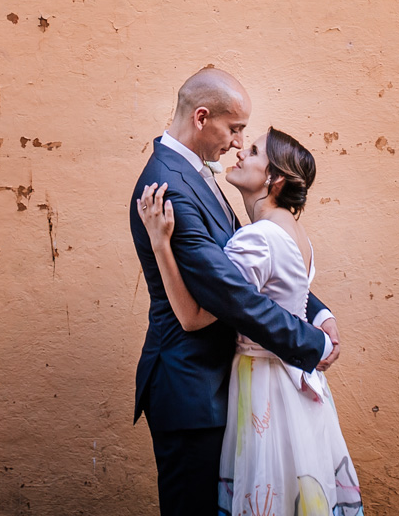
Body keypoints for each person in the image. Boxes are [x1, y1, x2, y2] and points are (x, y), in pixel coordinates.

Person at [128, 68, 342, 516]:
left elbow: (248, 267)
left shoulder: (199, 174)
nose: (237, 142)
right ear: (202, 118)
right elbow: (229, 294)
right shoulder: (168, 187)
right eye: (235, 128)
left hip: (219, 387)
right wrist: (311, 342)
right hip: (191, 390)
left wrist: (315, 309)